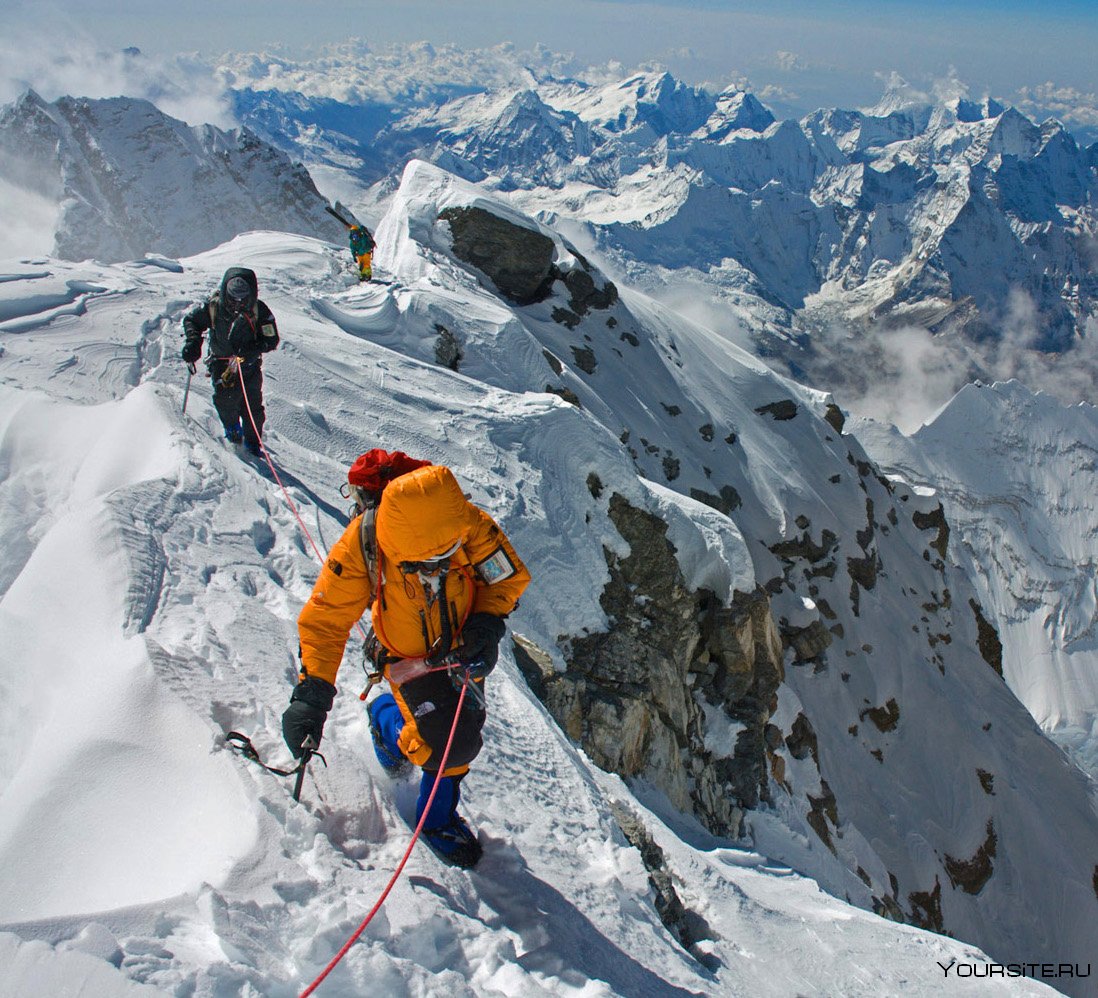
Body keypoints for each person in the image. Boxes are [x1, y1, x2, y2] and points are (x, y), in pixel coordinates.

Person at [282, 449, 531, 868]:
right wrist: (312, 693)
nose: (432, 567)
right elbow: (325, 619)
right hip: (406, 657)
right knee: (449, 745)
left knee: (465, 727)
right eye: (419, 562)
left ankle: (388, 724)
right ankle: (431, 811)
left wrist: (487, 623)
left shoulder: (468, 524)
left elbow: (505, 578)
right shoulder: (365, 541)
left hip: (462, 648)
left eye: (443, 555)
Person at [181, 267, 280, 455]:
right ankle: (232, 429)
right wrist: (193, 341)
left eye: (243, 296)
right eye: (234, 295)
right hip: (222, 362)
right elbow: (192, 321)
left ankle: (253, 443)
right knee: (225, 400)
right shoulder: (214, 307)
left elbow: (271, 339)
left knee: (252, 408)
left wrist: (254, 348)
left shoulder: (260, 311)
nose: (238, 301)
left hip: (248, 363)